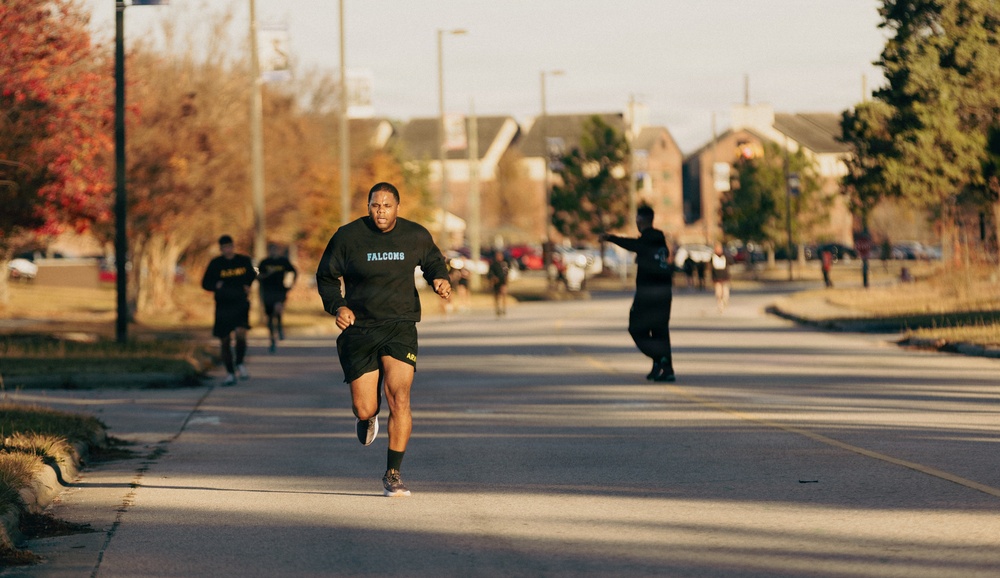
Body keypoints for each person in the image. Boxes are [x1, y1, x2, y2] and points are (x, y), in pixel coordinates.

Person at [316, 182, 452, 497]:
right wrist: (338, 305)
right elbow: (326, 276)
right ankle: (368, 417)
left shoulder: (414, 235)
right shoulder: (347, 237)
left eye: (386, 206)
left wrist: (439, 279)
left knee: (400, 397)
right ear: (368, 206)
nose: (380, 211)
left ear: (397, 207)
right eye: (375, 205)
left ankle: (393, 473)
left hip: (400, 325)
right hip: (360, 328)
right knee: (363, 407)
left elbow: (433, 261)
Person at [601, 205, 675, 382]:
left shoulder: (647, 240)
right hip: (665, 293)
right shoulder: (660, 241)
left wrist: (610, 237)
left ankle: (660, 359)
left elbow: (632, 244)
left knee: (636, 328)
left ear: (640, 221)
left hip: (648, 293)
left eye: (637, 220)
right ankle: (666, 368)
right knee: (660, 331)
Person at [201, 235, 257, 385]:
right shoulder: (216, 264)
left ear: (233, 246)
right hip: (223, 305)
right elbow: (205, 283)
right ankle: (230, 373)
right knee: (224, 339)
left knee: (241, 334)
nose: (227, 249)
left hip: (240, 303)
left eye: (229, 246)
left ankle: (239, 362)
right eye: (224, 247)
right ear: (221, 249)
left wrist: (248, 284)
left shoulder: (243, 261)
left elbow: (253, 274)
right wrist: (215, 286)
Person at [257, 243, 298, 353]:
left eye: (276, 250)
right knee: (270, 317)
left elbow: (294, 271)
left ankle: (279, 327)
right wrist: (266, 274)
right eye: (272, 250)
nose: (274, 252)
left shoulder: (283, 262)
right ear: (269, 251)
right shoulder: (264, 263)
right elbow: (258, 275)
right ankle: (272, 340)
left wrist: (291, 283)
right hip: (267, 292)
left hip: (280, 290)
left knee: (278, 308)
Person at [487, 250, 510, 317]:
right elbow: (490, 274)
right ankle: (498, 308)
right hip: (496, 282)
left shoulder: (504, 264)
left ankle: (504, 308)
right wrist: (493, 278)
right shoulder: (493, 265)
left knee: (503, 294)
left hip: (503, 282)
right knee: (496, 296)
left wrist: (506, 280)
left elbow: (506, 273)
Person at [710, 242, 731, 313]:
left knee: (725, 292)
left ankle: (725, 300)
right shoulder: (712, 257)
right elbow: (710, 268)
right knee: (718, 292)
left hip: (724, 277)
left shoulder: (725, 256)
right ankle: (720, 304)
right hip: (716, 277)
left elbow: (730, 262)